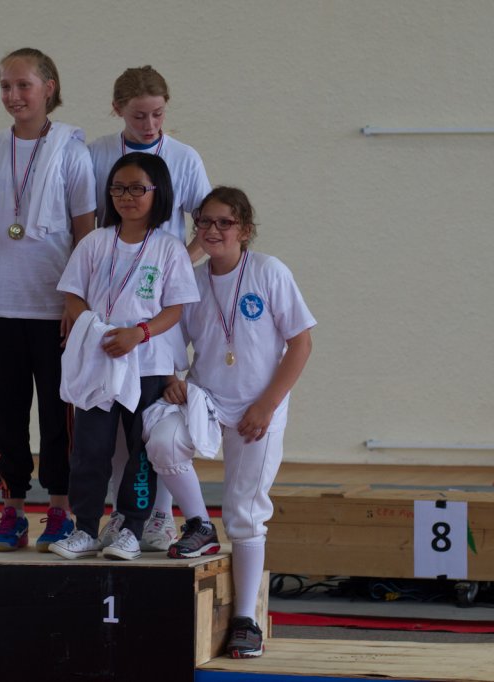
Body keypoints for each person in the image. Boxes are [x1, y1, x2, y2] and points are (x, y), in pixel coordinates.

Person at [144, 186, 315, 656]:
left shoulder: (269, 272)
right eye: (204, 222)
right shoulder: (191, 282)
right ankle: (199, 524)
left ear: (245, 229)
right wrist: (171, 379)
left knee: (245, 513)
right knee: (162, 439)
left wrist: (268, 404)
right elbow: (168, 339)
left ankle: (245, 619)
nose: (213, 230)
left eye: (225, 222)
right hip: (207, 399)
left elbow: (301, 343)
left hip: (260, 405)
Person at [0, 47, 96, 552]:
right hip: (3, 302)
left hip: (53, 305)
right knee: (7, 413)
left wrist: (75, 300)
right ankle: (13, 509)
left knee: (57, 417)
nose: (13, 95)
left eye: (23, 85)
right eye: (6, 85)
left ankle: (60, 508)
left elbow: (85, 233)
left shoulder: (72, 151)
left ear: (48, 88)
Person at [49, 152, 198, 561]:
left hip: (148, 364)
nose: (126, 196)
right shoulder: (95, 242)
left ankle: (132, 529)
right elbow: (72, 295)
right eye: (118, 188)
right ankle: (84, 529)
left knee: (140, 450)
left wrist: (139, 333)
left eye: (137, 188)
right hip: (99, 361)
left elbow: (175, 309)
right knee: (90, 449)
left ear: (157, 193)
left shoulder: (169, 249)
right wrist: (94, 329)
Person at [88, 66, 211, 553]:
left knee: (154, 414)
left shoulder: (184, 157)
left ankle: (160, 517)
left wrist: (177, 265)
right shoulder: (97, 153)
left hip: (159, 307)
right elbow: (85, 222)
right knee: (115, 421)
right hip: (110, 303)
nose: (150, 125)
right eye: (139, 116)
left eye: (158, 114)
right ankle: (124, 515)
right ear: (117, 109)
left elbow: (206, 222)